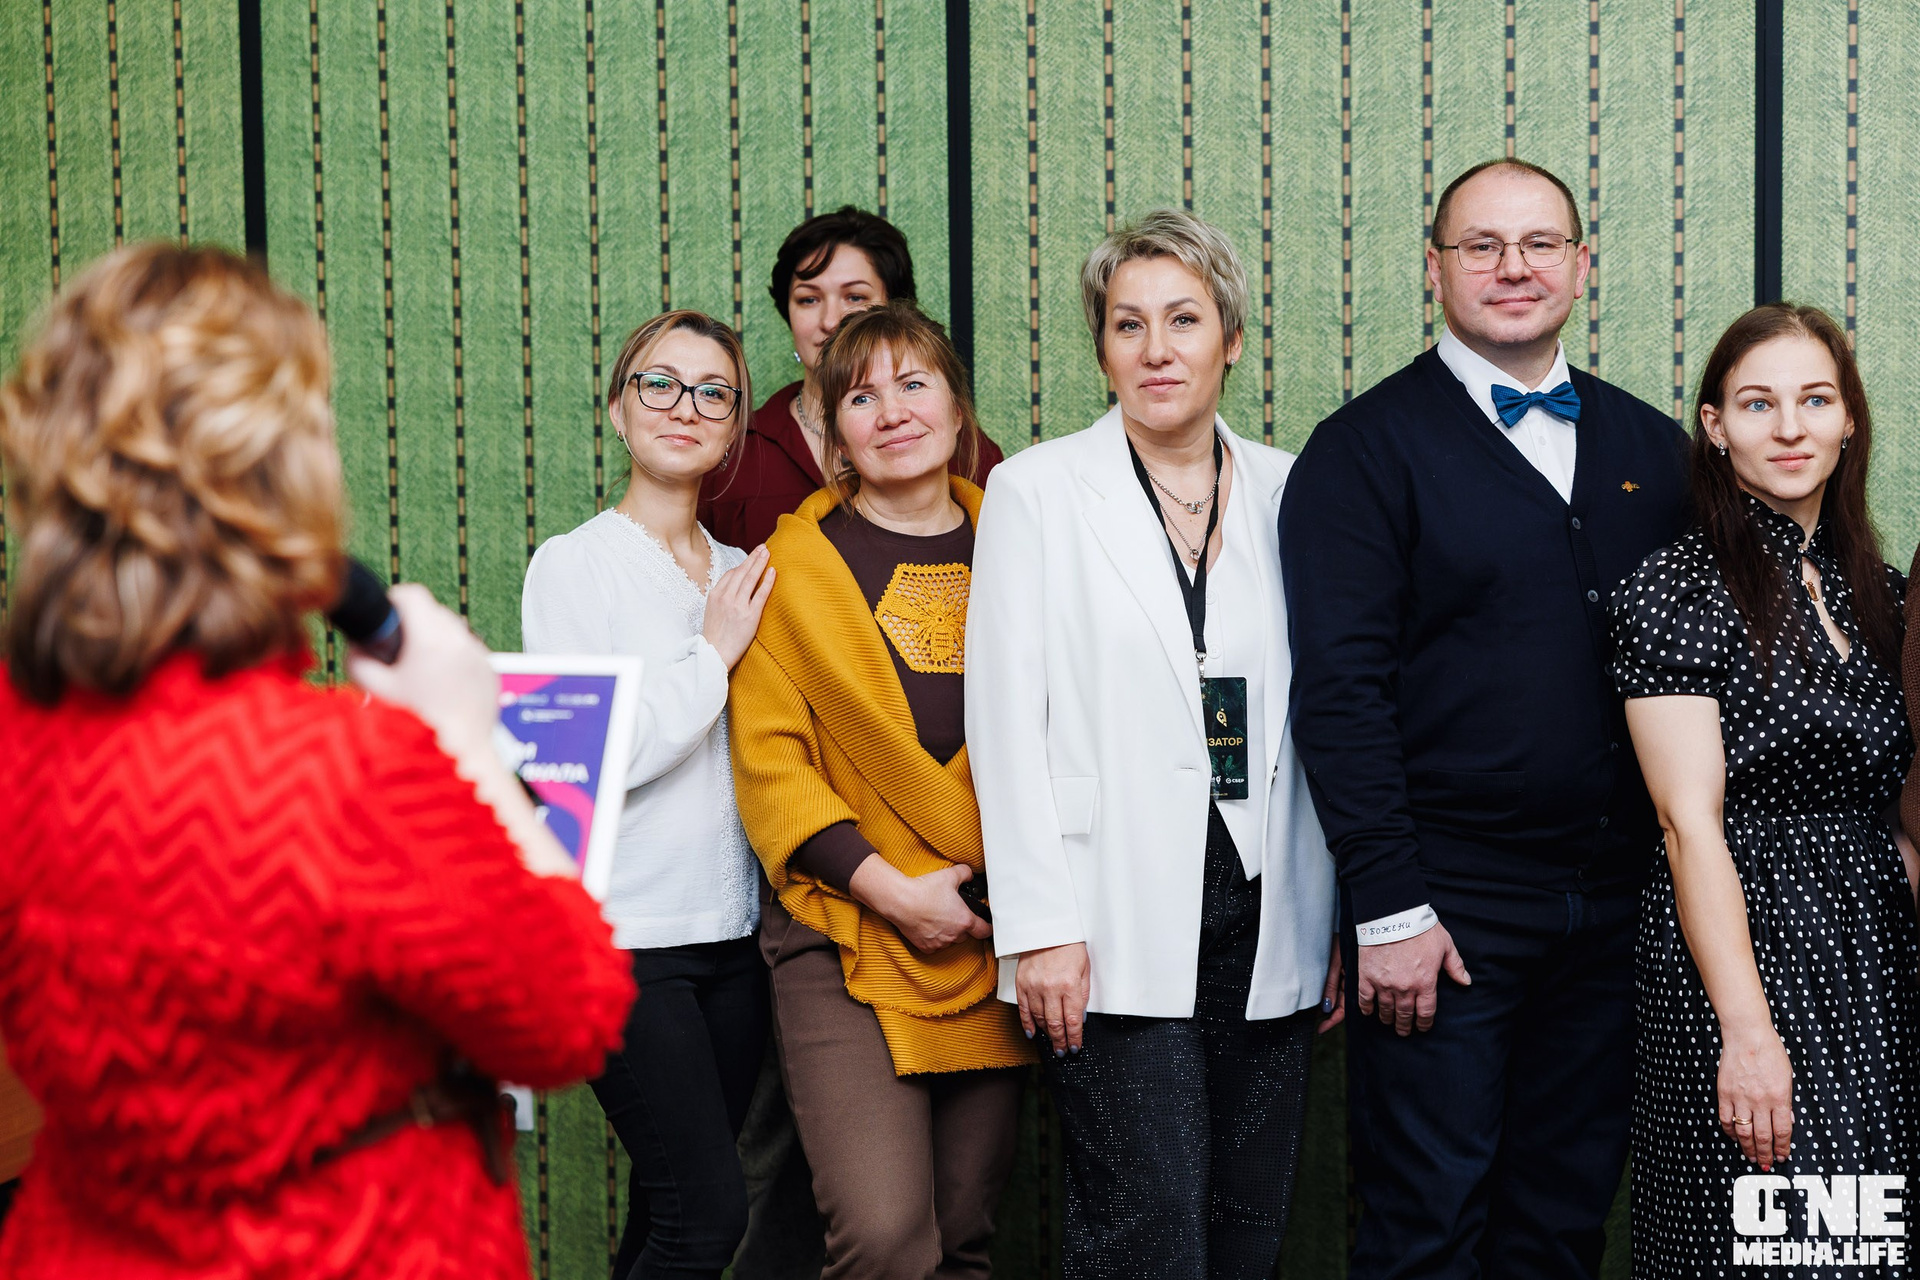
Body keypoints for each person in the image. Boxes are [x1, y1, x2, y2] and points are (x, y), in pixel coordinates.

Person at [0, 244, 634, 1278]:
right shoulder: (342, 773)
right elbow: (569, 1017)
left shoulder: (14, 732)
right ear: (280, 471)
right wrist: (463, 736)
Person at [1278, 159, 1690, 1280]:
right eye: (1482, 246)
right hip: (1447, 911)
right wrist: (1389, 909)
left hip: (1617, 909)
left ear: (1581, 266)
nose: (1514, 267)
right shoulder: (1362, 450)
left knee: (1561, 1226)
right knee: (1426, 1227)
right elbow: (1340, 692)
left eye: (1540, 243)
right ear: (1436, 268)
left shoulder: (1655, 451)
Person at [967, 208, 1341, 1280]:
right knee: (1147, 1234)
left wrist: (1327, 918)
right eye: (1127, 324)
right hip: (1106, 915)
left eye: (1184, 319)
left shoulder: (1290, 488)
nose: (1156, 349)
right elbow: (1003, 721)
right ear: (1102, 350)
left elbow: (1323, 711)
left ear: (1231, 339)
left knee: (1246, 1226)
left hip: (1265, 912)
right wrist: (1040, 927)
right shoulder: (1036, 490)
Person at [1613, 303, 1920, 1279]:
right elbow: (1687, 824)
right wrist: (1747, 1032)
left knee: (1869, 1243)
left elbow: (1901, 801)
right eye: (1758, 403)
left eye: (1815, 400)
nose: (1790, 427)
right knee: (1757, 1242)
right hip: (1743, 950)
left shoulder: (1885, 593)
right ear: (1715, 425)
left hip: (1874, 955)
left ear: (1849, 420)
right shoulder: (1675, 590)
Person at [728, 300, 1030, 1280]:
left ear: (957, 407)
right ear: (832, 432)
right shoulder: (790, 570)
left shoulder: (1027, 546)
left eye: (913, 384)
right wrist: (895, 892)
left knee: (963, 1236)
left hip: (995, 931)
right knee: (887, 1238)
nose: (892, 411)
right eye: (860, 397)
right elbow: (771, 766)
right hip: (847, 930)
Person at [523, 310, 776, 1280]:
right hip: (622, 940)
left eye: (713, 392)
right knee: (706, 1220)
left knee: (668, 1210)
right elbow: (590, 756)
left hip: (733, 938)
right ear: (619, 409)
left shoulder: (742, 575)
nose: (685, 407)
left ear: (734, 427)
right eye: (659, 384)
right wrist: (710, 653)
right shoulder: (574, 564)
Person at [699, 205, 1003, 551]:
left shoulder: (964, 448)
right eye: (808, 299)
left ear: (895, 308)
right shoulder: (735, 455)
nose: (831, 321)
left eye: (855, 297)